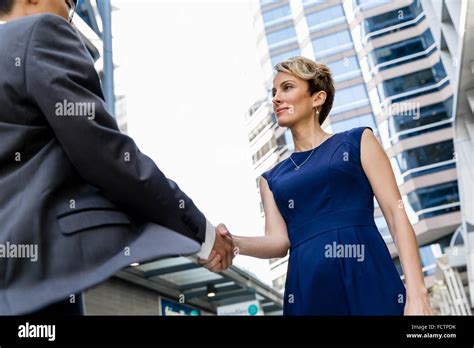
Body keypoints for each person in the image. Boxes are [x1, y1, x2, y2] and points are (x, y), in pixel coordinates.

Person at [0, 0, 232, 315]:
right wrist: (202, 234)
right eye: (70, 4)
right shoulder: (40, 32)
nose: (69, 18)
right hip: (33, 282)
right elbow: (106, 154)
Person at [202, 56, 433, 315]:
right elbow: (278, 242)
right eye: (274, 92)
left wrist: (417, 294)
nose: (276, 98)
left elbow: (395, 213)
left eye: (287, 87)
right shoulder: (271, 178)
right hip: (308, 287)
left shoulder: (358, 141)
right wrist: (233, 243)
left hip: (368, 272)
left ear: (317, 98)